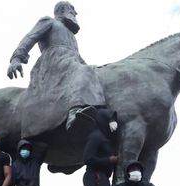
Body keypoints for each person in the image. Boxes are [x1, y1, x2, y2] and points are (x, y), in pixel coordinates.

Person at [7, 1, 106, 138]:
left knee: (90, 70)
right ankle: (74, 112)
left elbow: (78, 58)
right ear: (63, 9)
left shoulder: (71, 36)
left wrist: (92, 70)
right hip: (54, 62)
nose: (75, 13)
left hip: (71, 62)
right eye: (72, 9)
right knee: (84, 70)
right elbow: (30, 38)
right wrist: (16, 58)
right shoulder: (49, 22)